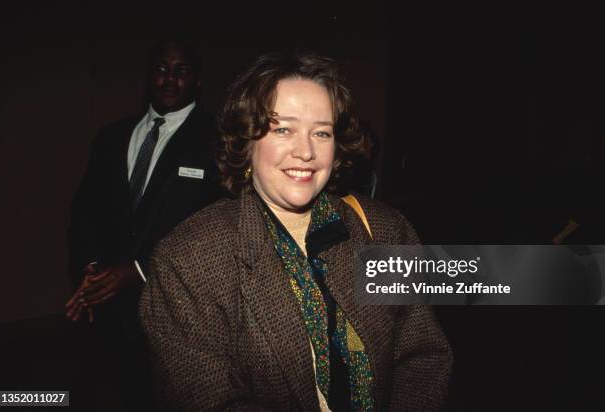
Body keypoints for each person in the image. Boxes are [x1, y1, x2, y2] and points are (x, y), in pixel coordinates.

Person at [140, 52, 452, 411]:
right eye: (283, 129)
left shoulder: (385, 230)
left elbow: (422, 356)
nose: (306, 151)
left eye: (321, 132)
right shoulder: (188, 260)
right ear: (247, 139)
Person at [65, 39, 221, 411]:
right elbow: (85, 210)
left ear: (197, 79)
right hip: (107, 309)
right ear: (149, 76)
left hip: (175, 312)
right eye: (162, 69)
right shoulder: (112, 137)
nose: (170, 78)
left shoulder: (218, 142)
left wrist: (137, 270)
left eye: (181, 70)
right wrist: (92, 268)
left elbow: (212, 228)